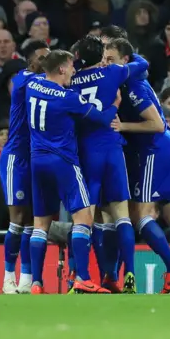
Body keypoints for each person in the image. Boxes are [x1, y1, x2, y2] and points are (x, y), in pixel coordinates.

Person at [107, 38, 170, 294]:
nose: (107, 63)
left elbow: (155, 123)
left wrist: (122, 126)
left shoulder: (132, 86)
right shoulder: (135, 78)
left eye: (111, 59)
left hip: (154, 151)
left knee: (140, 215)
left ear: (125, 60)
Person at [25, 50, 120, 295]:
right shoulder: (68, 97)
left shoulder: (32, 84)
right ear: (61, 69)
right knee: (84, 218)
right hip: (63, 161)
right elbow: (100, 119)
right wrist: (116, 104)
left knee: (40, 225)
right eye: (70, 66)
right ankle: (84, 278)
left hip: (37, 161)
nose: (74, 71)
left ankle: (36, 282)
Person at [68, 35, 149, 293]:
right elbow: (143, 64)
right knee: (121, 215)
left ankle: (81, 275)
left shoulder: (71, 81)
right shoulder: (113, 72)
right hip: (112, 150)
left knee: (84, 218)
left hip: (86, 152)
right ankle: (130, 274)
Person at [0, 40, 50, 294]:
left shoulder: (45, 81)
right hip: (15, 158)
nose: (47, 61)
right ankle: (8, 276)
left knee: (32, 220)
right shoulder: (23, 80)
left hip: (35, 158)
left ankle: (27, 278)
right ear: (31, 62)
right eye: (43, 57)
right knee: (17, 220)